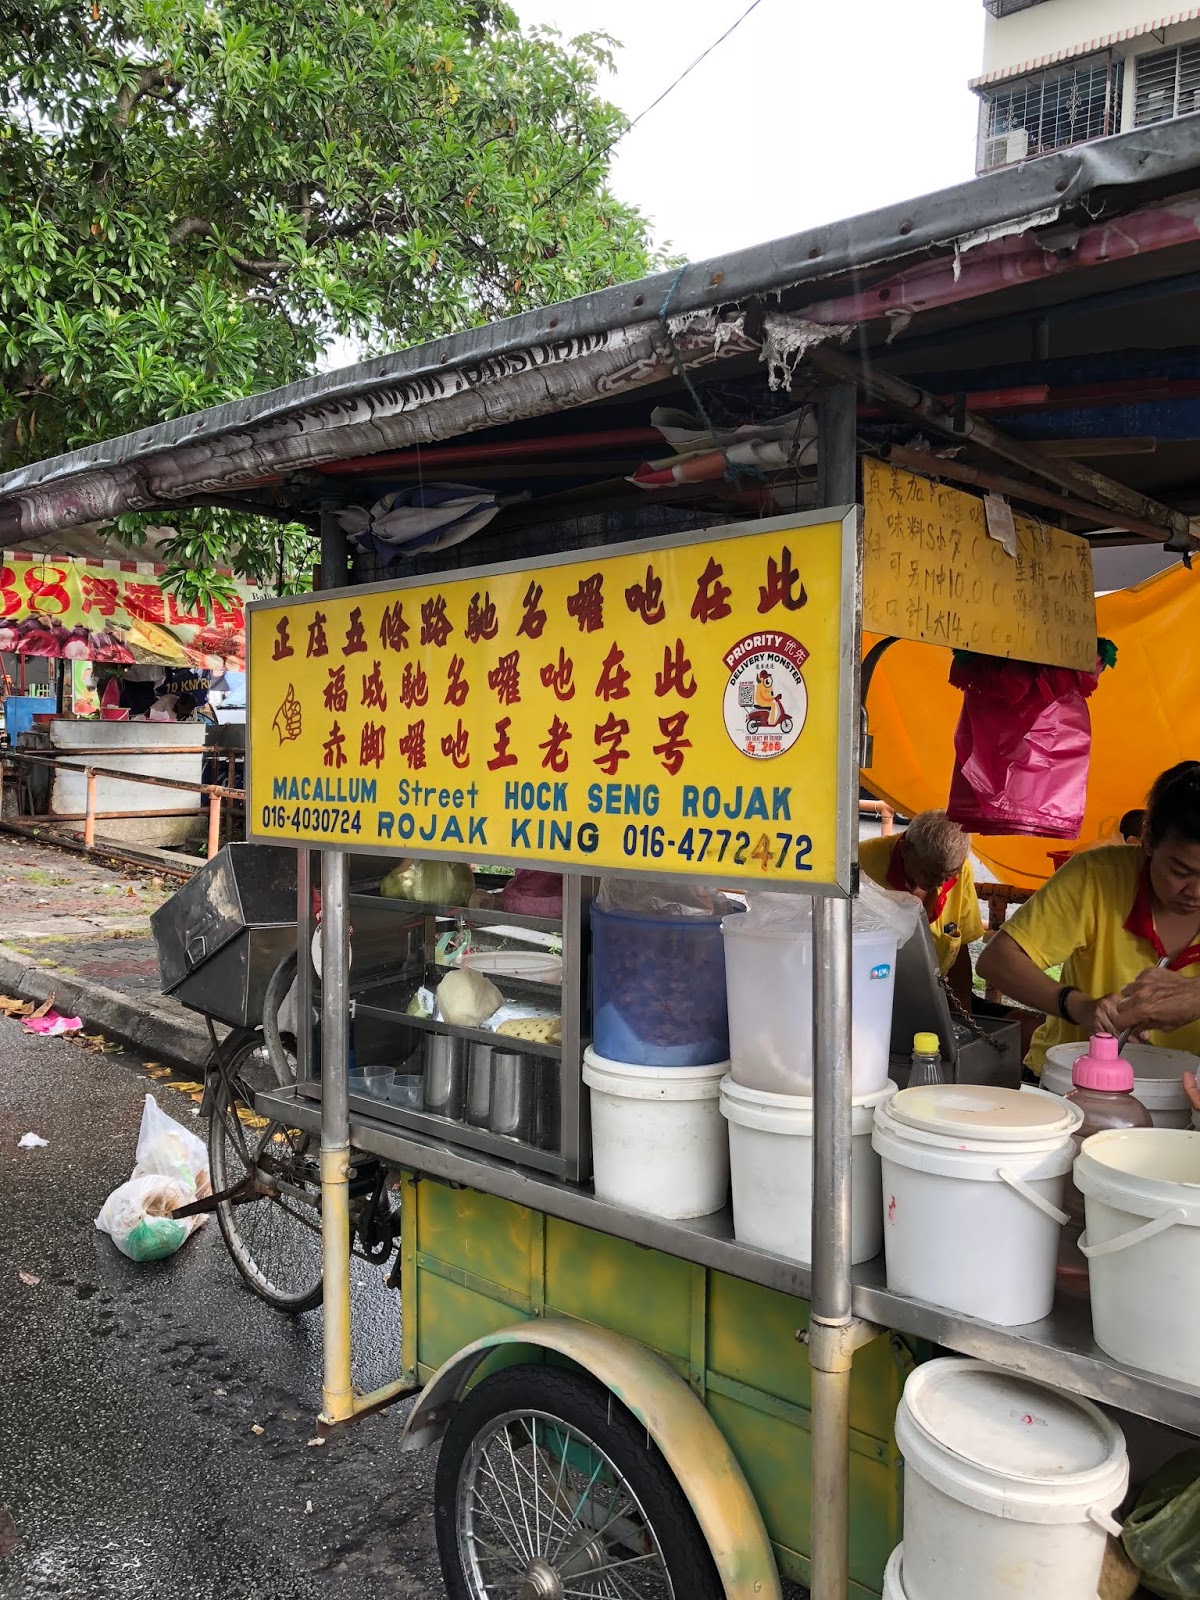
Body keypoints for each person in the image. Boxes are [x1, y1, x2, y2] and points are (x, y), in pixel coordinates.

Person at [976, 761, 1200, 1080]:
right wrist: (1081, 1007)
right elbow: (997, 961)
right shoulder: (1097, 876)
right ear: (1149, 840)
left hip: (1187, 1098)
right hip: (1073, 1084)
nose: (1195, 892)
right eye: (1181, 871)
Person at [859, 811, 983, 1007]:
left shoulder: (960, 869)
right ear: (905, 849)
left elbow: (960, 948)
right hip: (869, 989)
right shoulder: (860, 862)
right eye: (929, 873)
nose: (940, 882)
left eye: (949, 874)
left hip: (932, 991)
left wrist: (962, 1015)